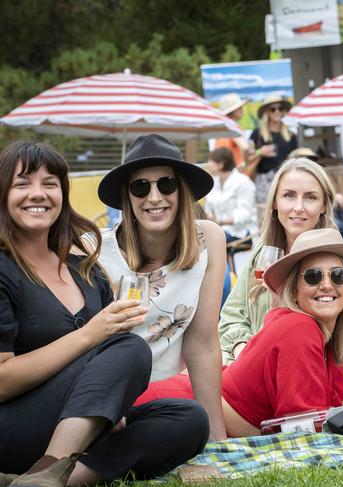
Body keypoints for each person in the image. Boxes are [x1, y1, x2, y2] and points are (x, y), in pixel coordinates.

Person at [0, 141, 208, 485]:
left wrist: (110, 407)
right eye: (22, 184)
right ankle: (47, 471)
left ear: (63, 195)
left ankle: (41, 480)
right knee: (131, 348)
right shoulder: (5, 270)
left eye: (50, 184)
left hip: (77, 424)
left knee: (187, 418)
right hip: (15, 423)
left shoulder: (85, 269)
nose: (37, 194)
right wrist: (88, 335)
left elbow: (104, 364)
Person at [96, 134, 228, 441]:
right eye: (140, 187)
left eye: (166, 184)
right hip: (107, 393)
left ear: (182, 191)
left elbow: (203, 344)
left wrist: (217, 440)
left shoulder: (208, 239)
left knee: (191, 421)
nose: (154, 197)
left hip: (169, 398)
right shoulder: (97, 252)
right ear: (127, 197)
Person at [222, 228, 343, 436]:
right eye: (313, 276)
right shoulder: (299, 329)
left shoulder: (331, 343)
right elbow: (303, 430)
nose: (326, 285)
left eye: (338, 276)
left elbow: (323, 413)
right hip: (188, 413)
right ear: (294, 291)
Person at [219, 157, 338, 364]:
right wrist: (242, 350)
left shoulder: (334, 264)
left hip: (299, 368)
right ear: (274, 201)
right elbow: (231, 316)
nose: (298, 207)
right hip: (246, 363)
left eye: (310, 197)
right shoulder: (263, 254)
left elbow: (328, 339)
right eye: (289, 195)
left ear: (324, 206)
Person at [247, 95, 297, 203]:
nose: (277, 112)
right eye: (273, 109)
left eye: (280, 108)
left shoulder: (291, 135)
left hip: (286, 178)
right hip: (264, 181)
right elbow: (248, 157)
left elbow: (296, 158)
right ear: (267, 112)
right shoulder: (257, 134)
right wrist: (260, 151)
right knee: (266, 213)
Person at [204, 147, 258, 243]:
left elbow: (245, 214)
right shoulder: (214, 182)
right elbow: (208, 208)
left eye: (211, 160)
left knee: (209, 240)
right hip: (217, 229)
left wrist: (220, 222)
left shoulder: (243, 182)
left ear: (220, 164)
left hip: (241, 231)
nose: (208, 164)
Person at [210, 93, 248, 168]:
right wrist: (246, 164)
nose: (242, 110)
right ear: (233, 111)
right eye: (239, 107)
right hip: (234, 172)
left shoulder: (222, 128)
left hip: (223, 171)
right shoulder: (232, 127)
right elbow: (245, 148)